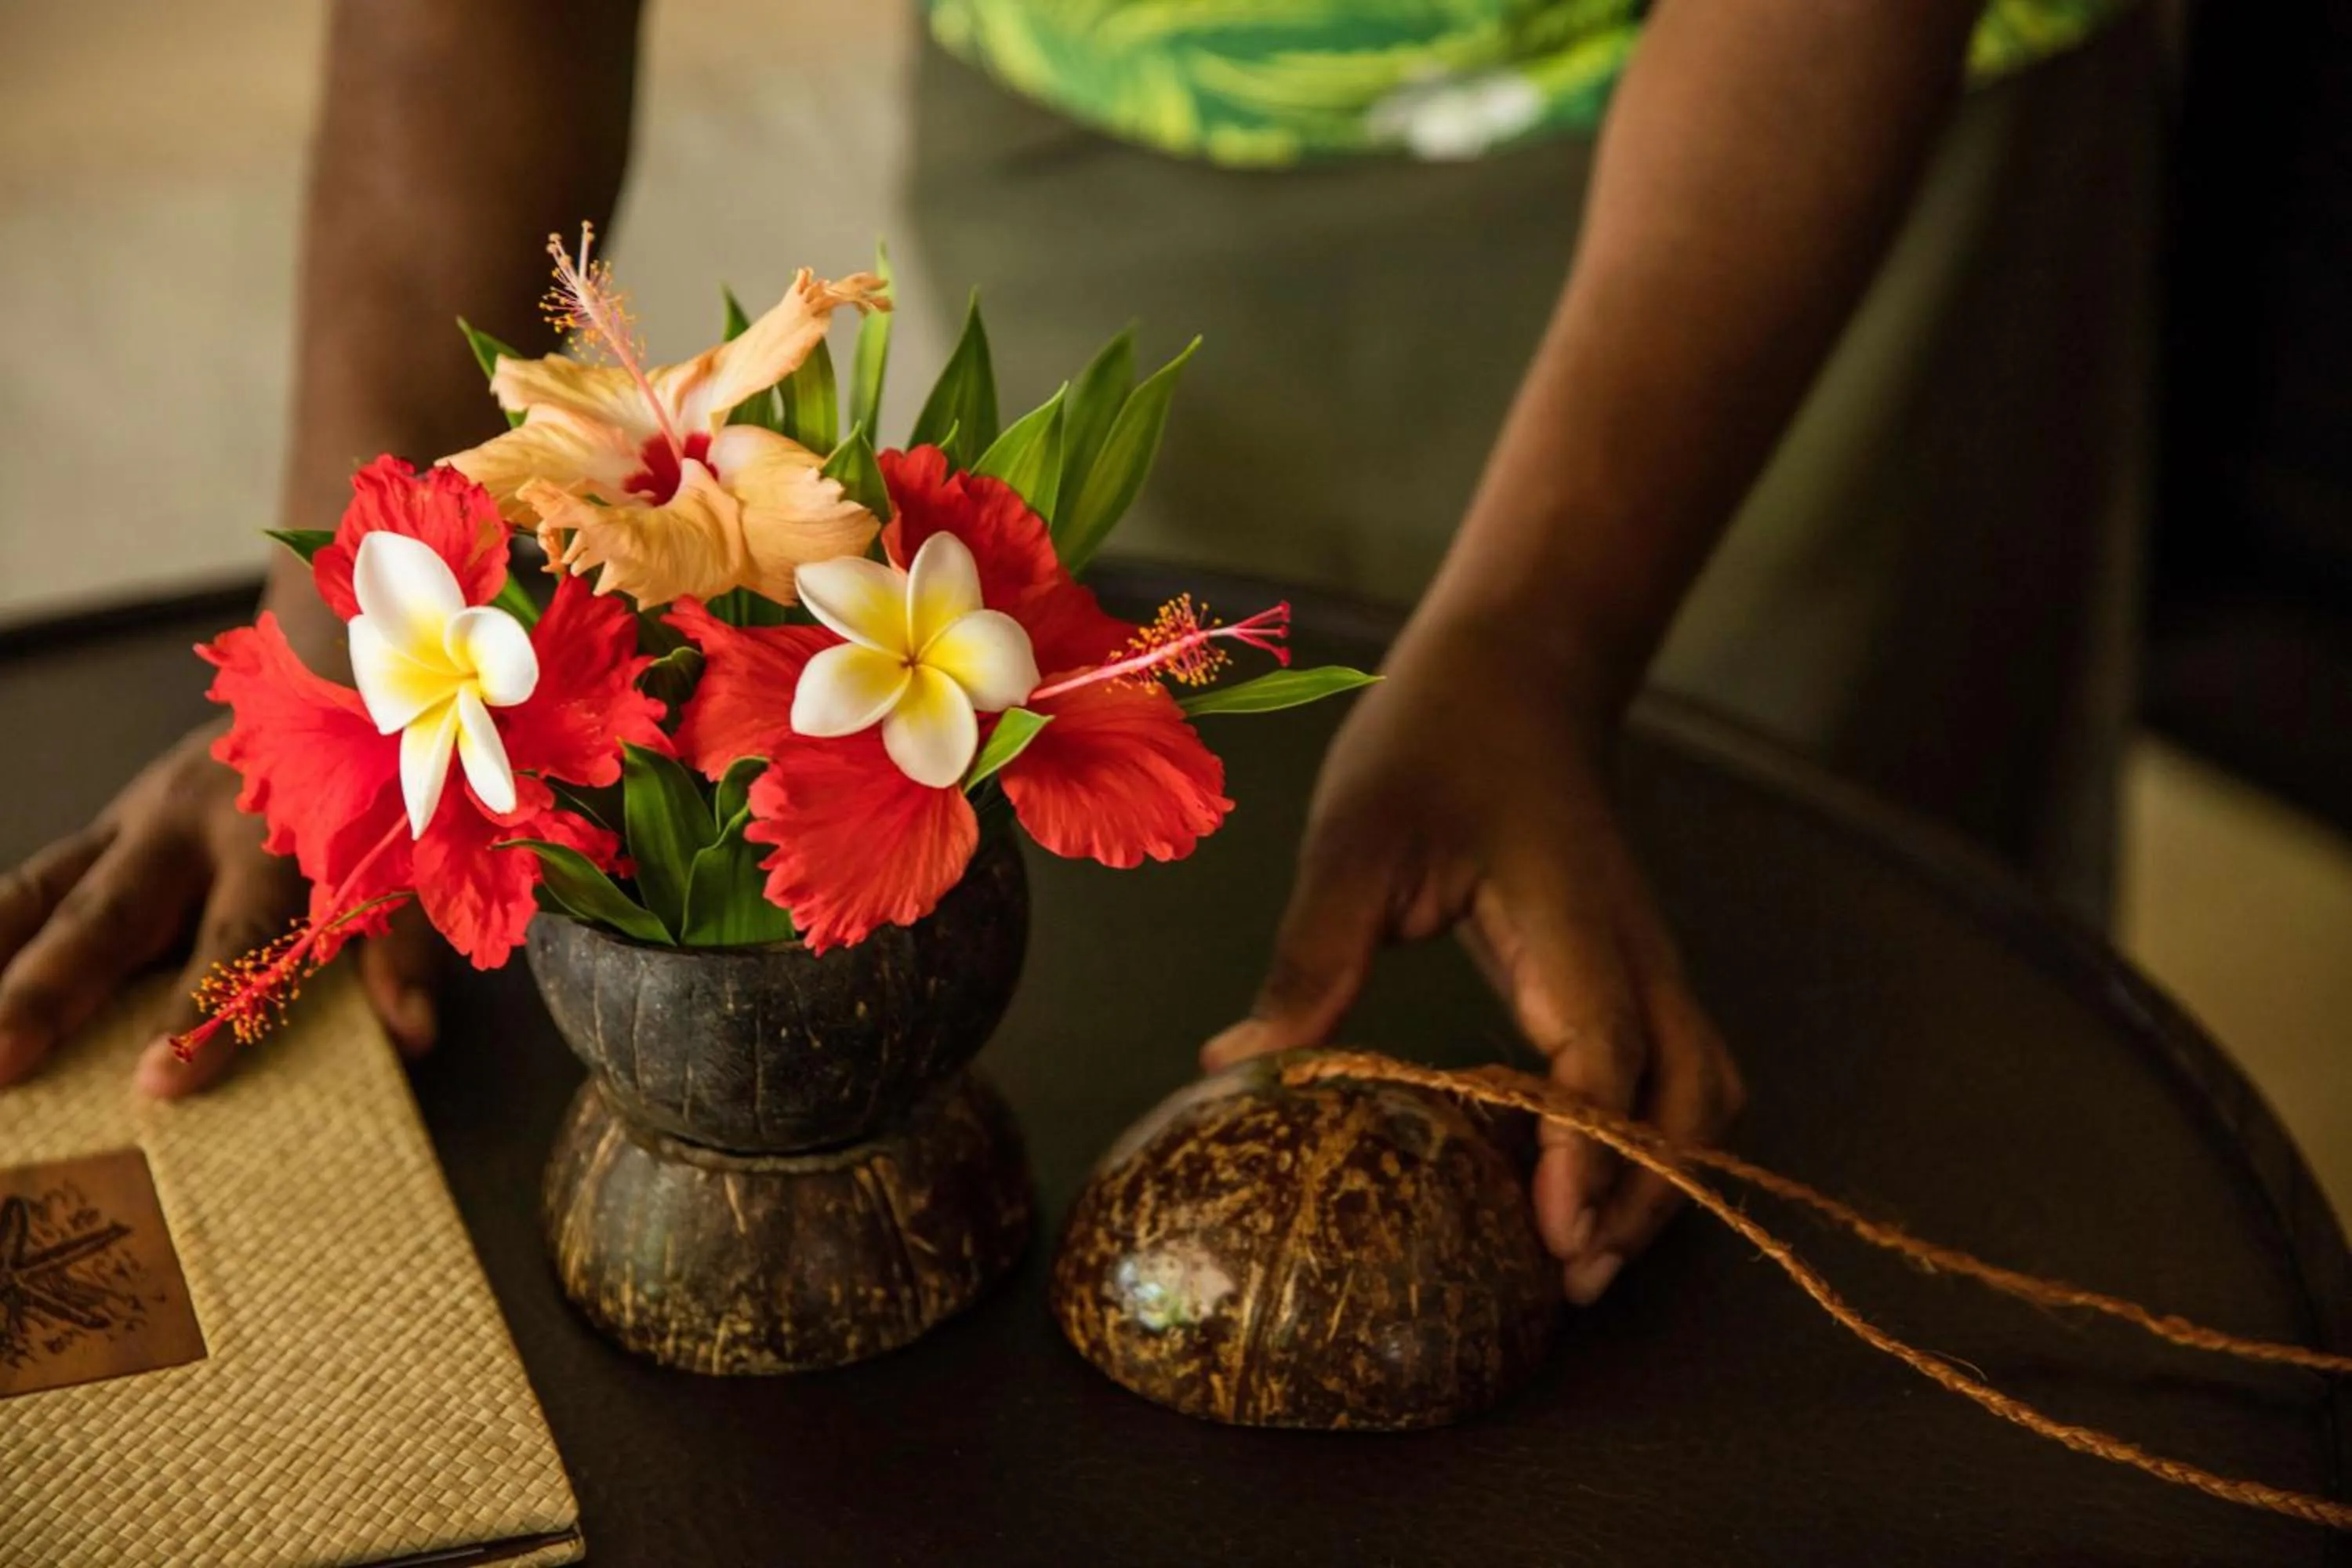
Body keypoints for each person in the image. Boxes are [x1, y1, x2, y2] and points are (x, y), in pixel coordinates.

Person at [0, 0, 2157, 1308]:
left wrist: (1545, 636)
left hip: (1819, 147)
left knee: (1775, 1050)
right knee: (1212, 952)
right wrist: (345, 657)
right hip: (1142, 111)